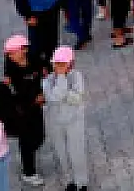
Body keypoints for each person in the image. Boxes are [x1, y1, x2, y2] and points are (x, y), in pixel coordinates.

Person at [43, 46, 89, 191]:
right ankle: (69, 180)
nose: (59, 66)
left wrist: (62, 88)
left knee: (77, 152)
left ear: (71, 63)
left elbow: (77, 99)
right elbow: (52, 98)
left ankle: (81, 182)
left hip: (74, 121)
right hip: (55, 122)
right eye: (57, 64)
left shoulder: (77, 76)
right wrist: (64, 89)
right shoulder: (48, 80)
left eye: (63, 64)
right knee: (61, 152)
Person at [3, 34, 46, 187]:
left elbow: (43, 67)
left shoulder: (32, 60)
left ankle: (29, 153)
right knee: (26, 140)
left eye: (16, 51)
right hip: (22, 109)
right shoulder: (11, 68)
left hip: (36, 106)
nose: (11, 56)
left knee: (40, 137)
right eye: (9, 53)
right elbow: (12, 94)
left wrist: (44, 72)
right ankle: (29, 172)